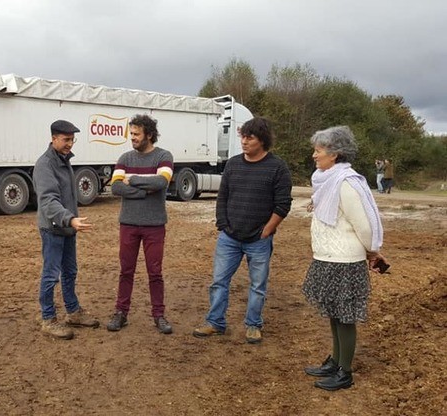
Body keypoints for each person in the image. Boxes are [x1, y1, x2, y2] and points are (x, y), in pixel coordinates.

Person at [302, 126, 388, 391]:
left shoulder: (347, 182)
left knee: (345, 316)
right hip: (327, 258)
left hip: (345, 262)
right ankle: (335, 361)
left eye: (319, 151)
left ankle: (345, 373)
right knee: (333, 313)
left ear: (335, 154)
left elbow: (364, 225)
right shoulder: (328, 180)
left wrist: (372, 251)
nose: (314, 155)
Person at [193, 117, 292, 344]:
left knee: (257, 285)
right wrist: (223, 224)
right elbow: (223, 196)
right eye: (243, 137)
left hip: (259, 239)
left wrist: (267, 230)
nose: (244, 141)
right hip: (229, 237)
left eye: (250, 137)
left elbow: (283, 204)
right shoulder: (233, 164)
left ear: (262, 140)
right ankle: (215, 322)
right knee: (219, 281)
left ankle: (253, 325)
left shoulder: (277, 168)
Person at [106, 114, 174, 334]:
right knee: (126, 270)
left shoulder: (164, 156)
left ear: (149, 135)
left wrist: (132, 180)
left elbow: (162, 181)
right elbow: (115, 188)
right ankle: (121, 313)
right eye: (131, 133)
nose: (132, 138)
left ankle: (159, 315)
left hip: (154, 225)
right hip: (128, 224)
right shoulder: (125, 157)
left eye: (136, 134)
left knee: (155, 272)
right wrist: (146, 192)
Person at [33, 119, 99, 340]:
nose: (70, 144)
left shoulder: (64, 160)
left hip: (68, 228)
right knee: (51, 275)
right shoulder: (45, 165)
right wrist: (70, 219)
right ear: (53, 139)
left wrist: (71, 222)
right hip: (53, 229)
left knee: (70, 271)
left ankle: (73, 312)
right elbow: (49, 201)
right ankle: (48, 319)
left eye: (72, 139)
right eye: (66, 139)